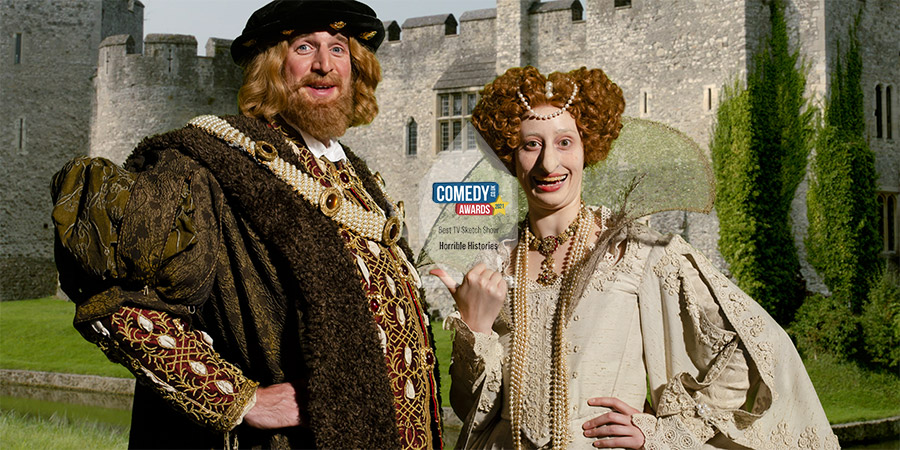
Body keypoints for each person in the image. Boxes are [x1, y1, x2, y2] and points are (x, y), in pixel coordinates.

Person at [50, 1, 442, 448]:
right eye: (304, 48)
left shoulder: (356, 176)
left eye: (338, 49)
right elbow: (119, 301)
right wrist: (237, 400)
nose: (324, 65)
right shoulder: (207, 165)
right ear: (271, 67)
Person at [431, 66, 838, 449]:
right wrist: (475, 328)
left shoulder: (638, 251)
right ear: (510, 155)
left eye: (564, 142)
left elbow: (748, 356)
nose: (548, 163)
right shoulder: (494, 267)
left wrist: (661, 432)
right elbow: (470, 410)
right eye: (531, 145)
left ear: (588, 147)